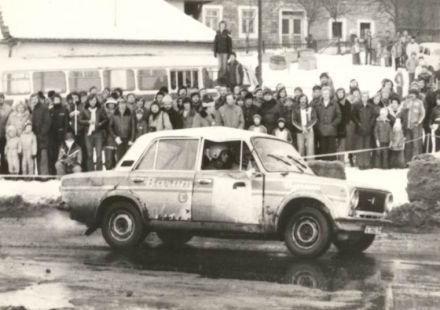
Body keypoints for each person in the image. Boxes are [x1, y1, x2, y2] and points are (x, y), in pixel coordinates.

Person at [79, 95, 108, 171]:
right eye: (91, 100)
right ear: (88, 101)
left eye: (94, 100)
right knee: (89, 154)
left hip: (98, 133)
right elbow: (80, 120)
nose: (93, 102)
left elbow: (106, 119)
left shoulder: (100, 109)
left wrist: (100, 124)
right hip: (88, 134)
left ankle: (99, 171)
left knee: (99, 154)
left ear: (96, 101)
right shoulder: (84, 110)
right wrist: (88, 122)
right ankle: (91, 171)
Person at [315, 87, 341, 160]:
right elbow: (315, 117)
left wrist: (333, 125)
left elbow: (339, 116)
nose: (325, 95)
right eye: (324, 94)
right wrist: (319, 125)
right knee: (323, 148)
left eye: (327, 93)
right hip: (321, 131)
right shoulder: (318, 105)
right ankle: (324, 165)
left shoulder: (335, 104)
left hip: (332, 131)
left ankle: (332, 165)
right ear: (322, 95)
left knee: (331, 149)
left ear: (329, 94)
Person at [352, 91, 376, 169]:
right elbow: (353, 116)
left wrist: (370, 125)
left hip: (368, 129)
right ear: (361, 97)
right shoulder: (357, 106)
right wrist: (358, 123)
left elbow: (373, 116)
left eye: (366, 96)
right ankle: (360, 163)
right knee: (360, 146)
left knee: (367, 146)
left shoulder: (371, 106)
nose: (364, 98)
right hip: (359, 130)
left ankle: (366, 163)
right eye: (363, 96)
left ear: (368, 97)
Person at [401, 89, 425, 163]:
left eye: (414, 94)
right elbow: (402, 110)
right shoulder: (406, 101)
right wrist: (406, 106)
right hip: (407, 126)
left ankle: (415, 161)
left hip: (415, 126)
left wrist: (419, 122)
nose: (412, 95)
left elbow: (423, 113)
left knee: (415, 144)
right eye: (411, 94)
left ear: (416, 94)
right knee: (408, 143)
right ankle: (407, 161)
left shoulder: (419, 102)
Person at [49, 93, 70, 174]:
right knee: (53, 154)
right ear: (53, 101)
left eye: (58, 99)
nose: (56, 101)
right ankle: (54, 172)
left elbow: (66, 124)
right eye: (55, 99)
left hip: (62, 135)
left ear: (60, 100)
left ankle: (64, 171)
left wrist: (65, 135)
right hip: (53, 136)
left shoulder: (64, 110)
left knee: (62, 153)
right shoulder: (50, 110)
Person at [31, 92, 51, 175]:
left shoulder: (44, 108)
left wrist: (41, 133)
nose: (34, 101)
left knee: (43, 157)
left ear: (38, 99)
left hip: (42, 137)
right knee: (38, 156)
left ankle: (44, 175)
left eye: (35, 99)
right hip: (36, 137)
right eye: (32, 99)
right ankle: (40, 174)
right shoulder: (34, 108)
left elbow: (48, 122)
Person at [335, 88, 354, 164]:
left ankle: (341, 162)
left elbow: (348, 116)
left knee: (342, 146)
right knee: (336, 146)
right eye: (338, 93)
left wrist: (343, 124)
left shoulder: (348, 103)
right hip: (336, 127)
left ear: (344, 94)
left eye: (341, 92)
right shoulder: (335, 103)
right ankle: (337, 161)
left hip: (343, 127)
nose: (340, 94)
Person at [103, 98, 118, 170]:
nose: (111, 105)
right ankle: (108, 168)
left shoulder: (117, 113)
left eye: (113, 104)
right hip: (107, 135)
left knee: (116, 155)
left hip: (116, 135)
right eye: (110, 104)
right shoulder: (105, 112)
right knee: (108, 155)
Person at [0, 93, 12, 173]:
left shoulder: (8, 108)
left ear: (4, 99)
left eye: (1, 98)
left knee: (4, 153)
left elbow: (10, 121)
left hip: (4, 135)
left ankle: (4, 171)